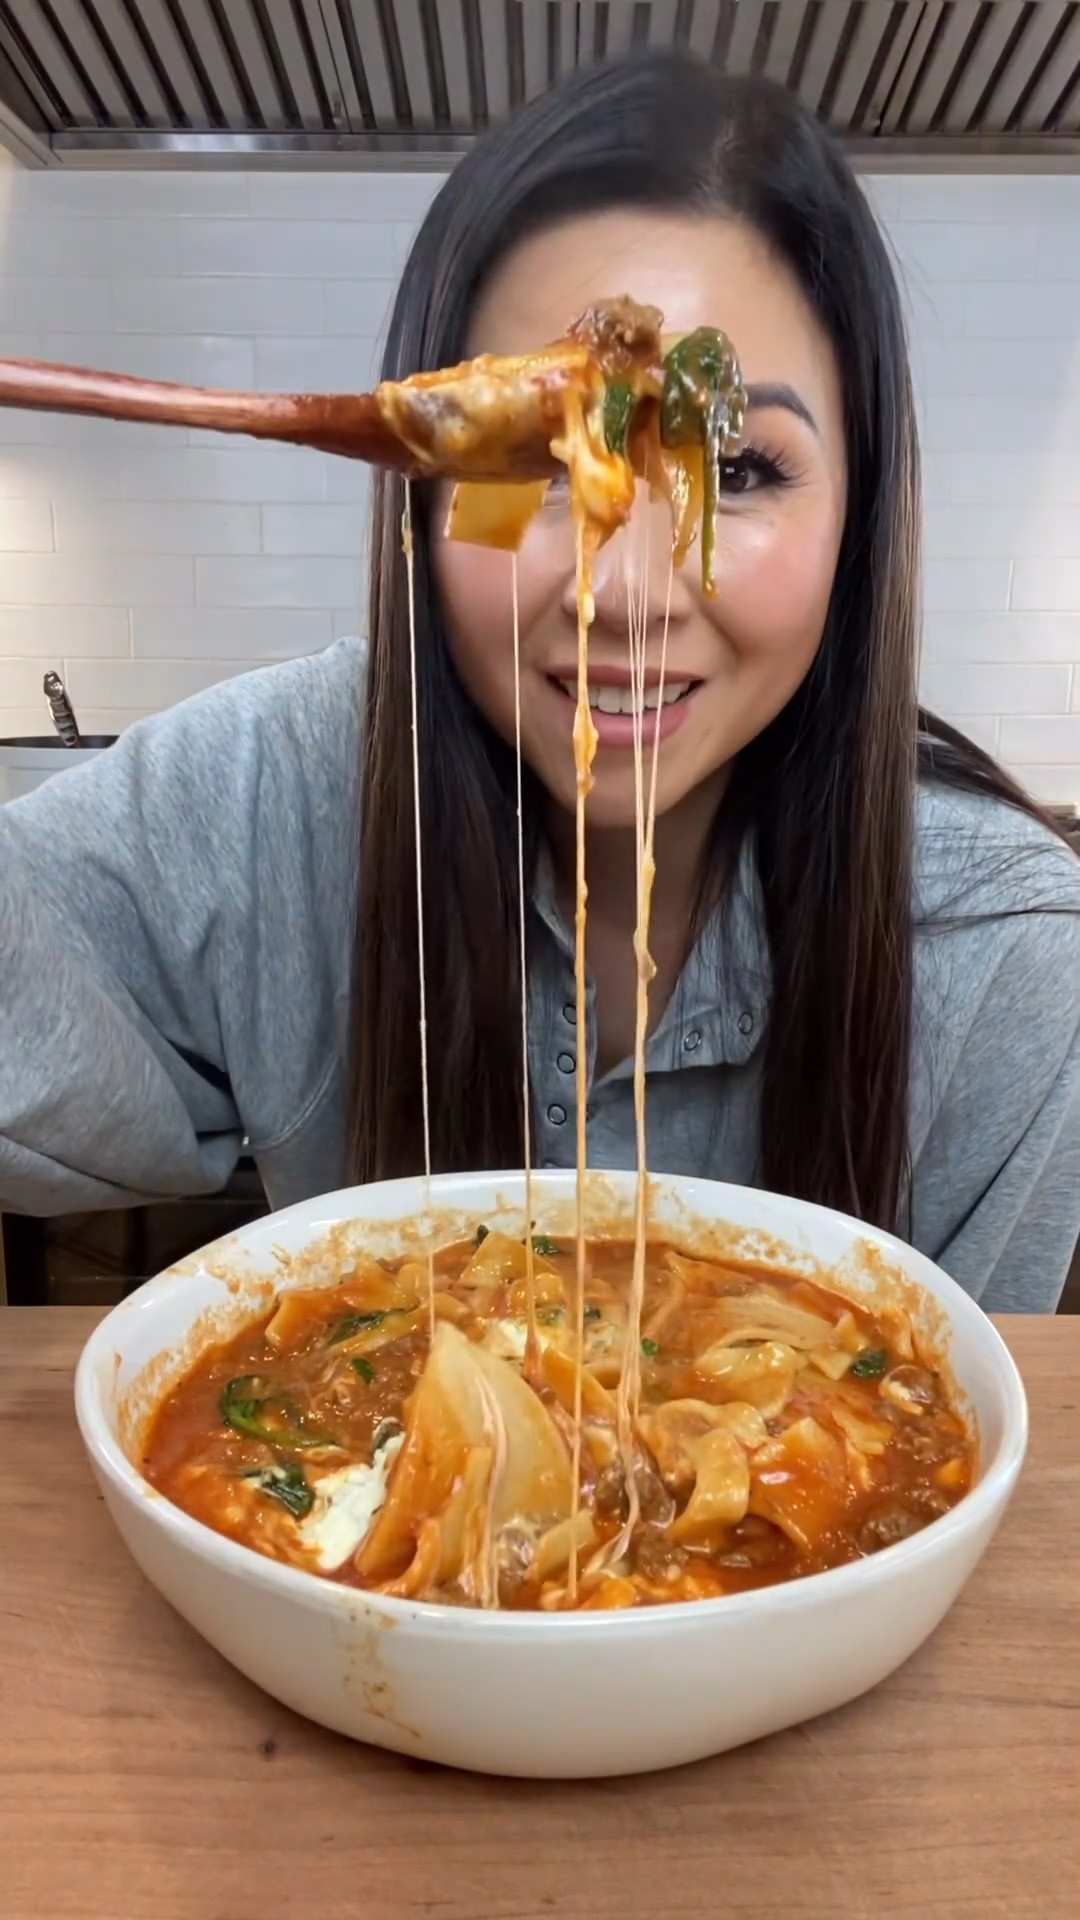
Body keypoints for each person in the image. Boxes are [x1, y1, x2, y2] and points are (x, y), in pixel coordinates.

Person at [1, 52, 1077, 1313]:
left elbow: (947, 1465)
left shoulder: (1005, 963)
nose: (626, 591)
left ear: (863, 511)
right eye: (539, 459)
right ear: (430, 495)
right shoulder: (276, 793)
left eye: (736, 470)